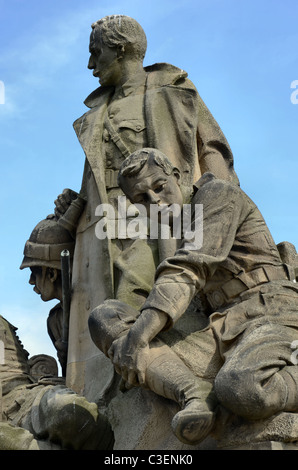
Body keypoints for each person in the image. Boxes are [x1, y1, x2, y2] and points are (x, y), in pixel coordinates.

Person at [55, 14, 239, 400]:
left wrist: (224, 202)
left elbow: (212, 148)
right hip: (108, 224)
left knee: (154, 295)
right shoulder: (97, 113)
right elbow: (96, 175)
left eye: (96, 53)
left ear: (120, 49)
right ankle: (121, 385)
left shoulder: (173, 89)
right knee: (107, 309)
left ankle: (160, 379)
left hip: (165, 215)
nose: (91, 65)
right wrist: (76, 201)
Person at [89, 148, 298, 445]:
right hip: (218, 325)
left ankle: (231, 409)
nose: (155, 201)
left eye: (160, 187)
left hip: (270, 312)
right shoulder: (175, 226)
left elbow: (188, 270)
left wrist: (139, 338)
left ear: (177, 176)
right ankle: (195, 394)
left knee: (242, 387)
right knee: (106, 318)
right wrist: (133, 336)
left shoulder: (217, 195)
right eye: (142, 199)